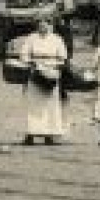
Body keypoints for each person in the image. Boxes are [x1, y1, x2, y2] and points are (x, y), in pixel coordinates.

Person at [18, 16, 68, 146]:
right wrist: (31, 62)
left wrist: (54, 65)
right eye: (40, 24)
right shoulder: (31, 38)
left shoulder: (57, 39)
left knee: (50, 105)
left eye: (46, 24)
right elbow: (23, 54)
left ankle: (49, 135)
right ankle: (30, 134)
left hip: (51, 72)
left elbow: (63, 57)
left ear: (51, 25)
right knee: (33, 104)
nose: (43, 27)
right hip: (35, 72)